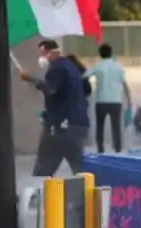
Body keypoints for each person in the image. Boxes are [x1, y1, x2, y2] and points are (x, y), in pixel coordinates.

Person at [20, 40, 89, 176]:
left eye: (42, 54)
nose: (41, 58)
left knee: (43, 169)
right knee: (80, 169)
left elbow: (50, 89)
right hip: (77, 125)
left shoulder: (57, 68)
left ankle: (41, 193)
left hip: (60, 127)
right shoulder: (70, 66)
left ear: (50, 52)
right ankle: (87, 192)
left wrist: (30, 78)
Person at [85, 43, 130, 153]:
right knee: (116, 126)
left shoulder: (97, 66)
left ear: (100, 54)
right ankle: (117, 148)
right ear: (111, 53)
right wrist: (129, 100)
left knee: (100, 126)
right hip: (115, 101)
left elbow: (85, 76)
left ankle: (100, 148)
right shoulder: (118, 67)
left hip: (101, 100)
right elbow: (125, 85)